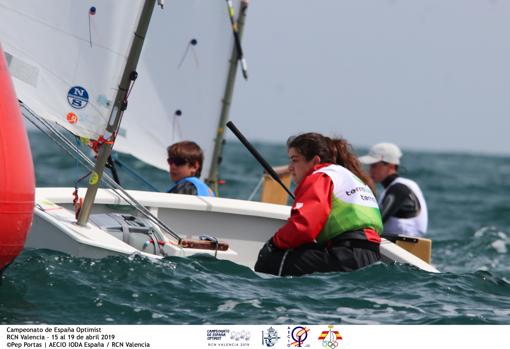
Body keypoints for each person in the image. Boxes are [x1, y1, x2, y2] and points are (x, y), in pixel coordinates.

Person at [254, 133, 383, 276]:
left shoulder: (320, 176)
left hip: (346, 256)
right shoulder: (350, 176)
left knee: (268, 260)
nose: (290, 168)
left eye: (294, 160)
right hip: (371, 257)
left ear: (315, 161)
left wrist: (273, 243)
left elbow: (304, 227)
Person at [358, 142, 428, 237]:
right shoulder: (393, 188)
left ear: (391, 166)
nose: (370, 170)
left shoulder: (399, 188)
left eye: (374, 166)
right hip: (399, 245)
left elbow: (377, 222)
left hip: (407, 246)